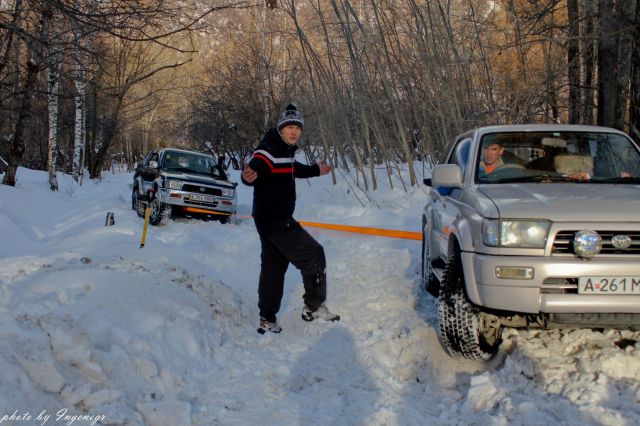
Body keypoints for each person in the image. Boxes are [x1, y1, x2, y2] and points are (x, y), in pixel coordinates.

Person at [242, 103, 340, 334]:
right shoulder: (267, 150)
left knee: (274, 267)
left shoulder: (284, 149)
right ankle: (313, 308)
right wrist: (248, 177)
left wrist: (316, 170)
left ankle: (267, 317)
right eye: (289, 127)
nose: (294, 131)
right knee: (314, 254)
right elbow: (256, 167)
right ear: (281, 128)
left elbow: (293, 168)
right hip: (275, 219)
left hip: (267, 219)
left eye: (298, 127)